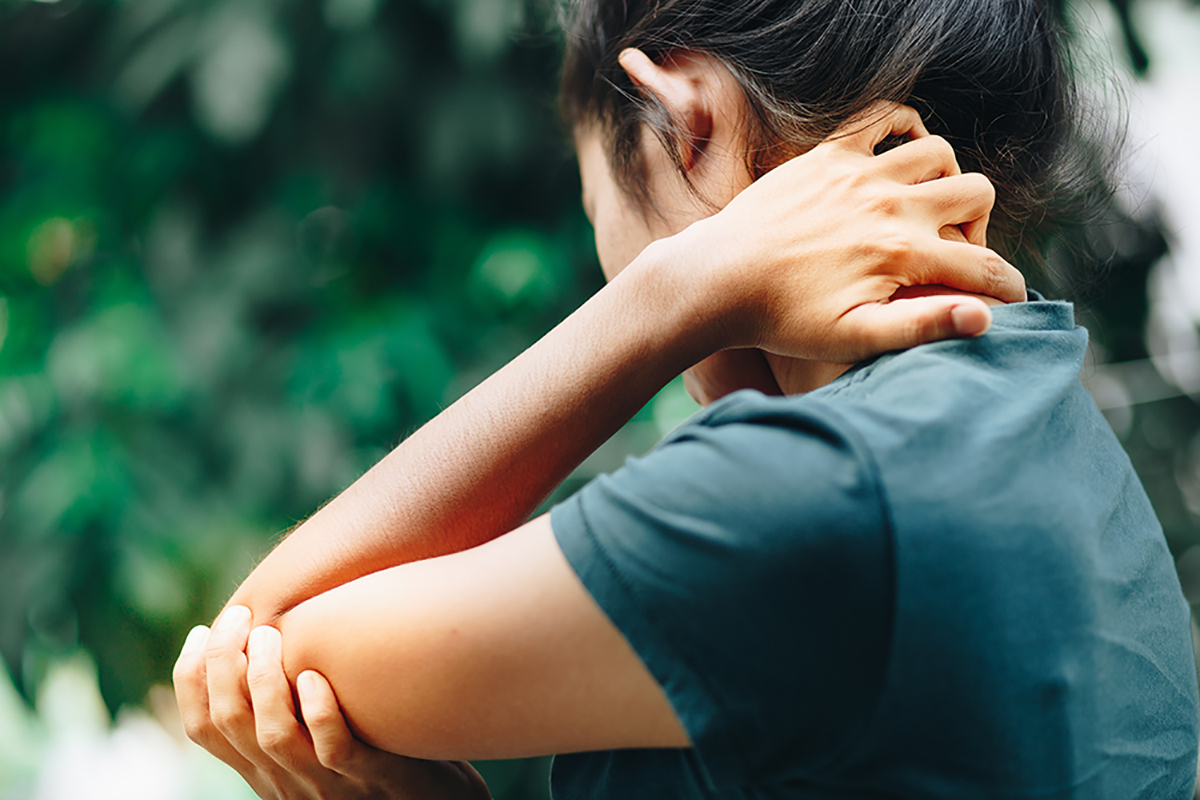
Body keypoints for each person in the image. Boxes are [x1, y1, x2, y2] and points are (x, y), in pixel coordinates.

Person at [173, 1, 1200, 798]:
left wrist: (673, 295)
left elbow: (265, 641)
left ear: (680, 116)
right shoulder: (1044, 419)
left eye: (599, 214)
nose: (613, 263)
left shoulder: (818, 484)